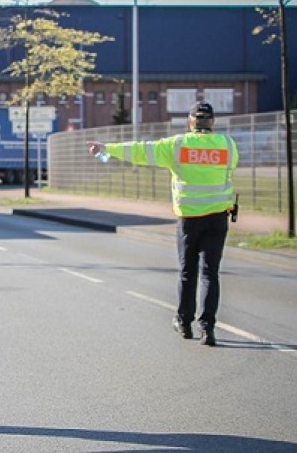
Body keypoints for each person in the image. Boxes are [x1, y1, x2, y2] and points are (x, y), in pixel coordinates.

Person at [88, 101, 238, 347]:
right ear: (212, 122)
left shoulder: (177, 145)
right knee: (210, 273)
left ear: (191, 121)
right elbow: (229, 169)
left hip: (189, 219)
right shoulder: (228, 145)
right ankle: (207, 329)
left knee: (188, 272)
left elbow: (140, 150)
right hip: (218, 218)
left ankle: (184, 322)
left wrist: (107, 149)